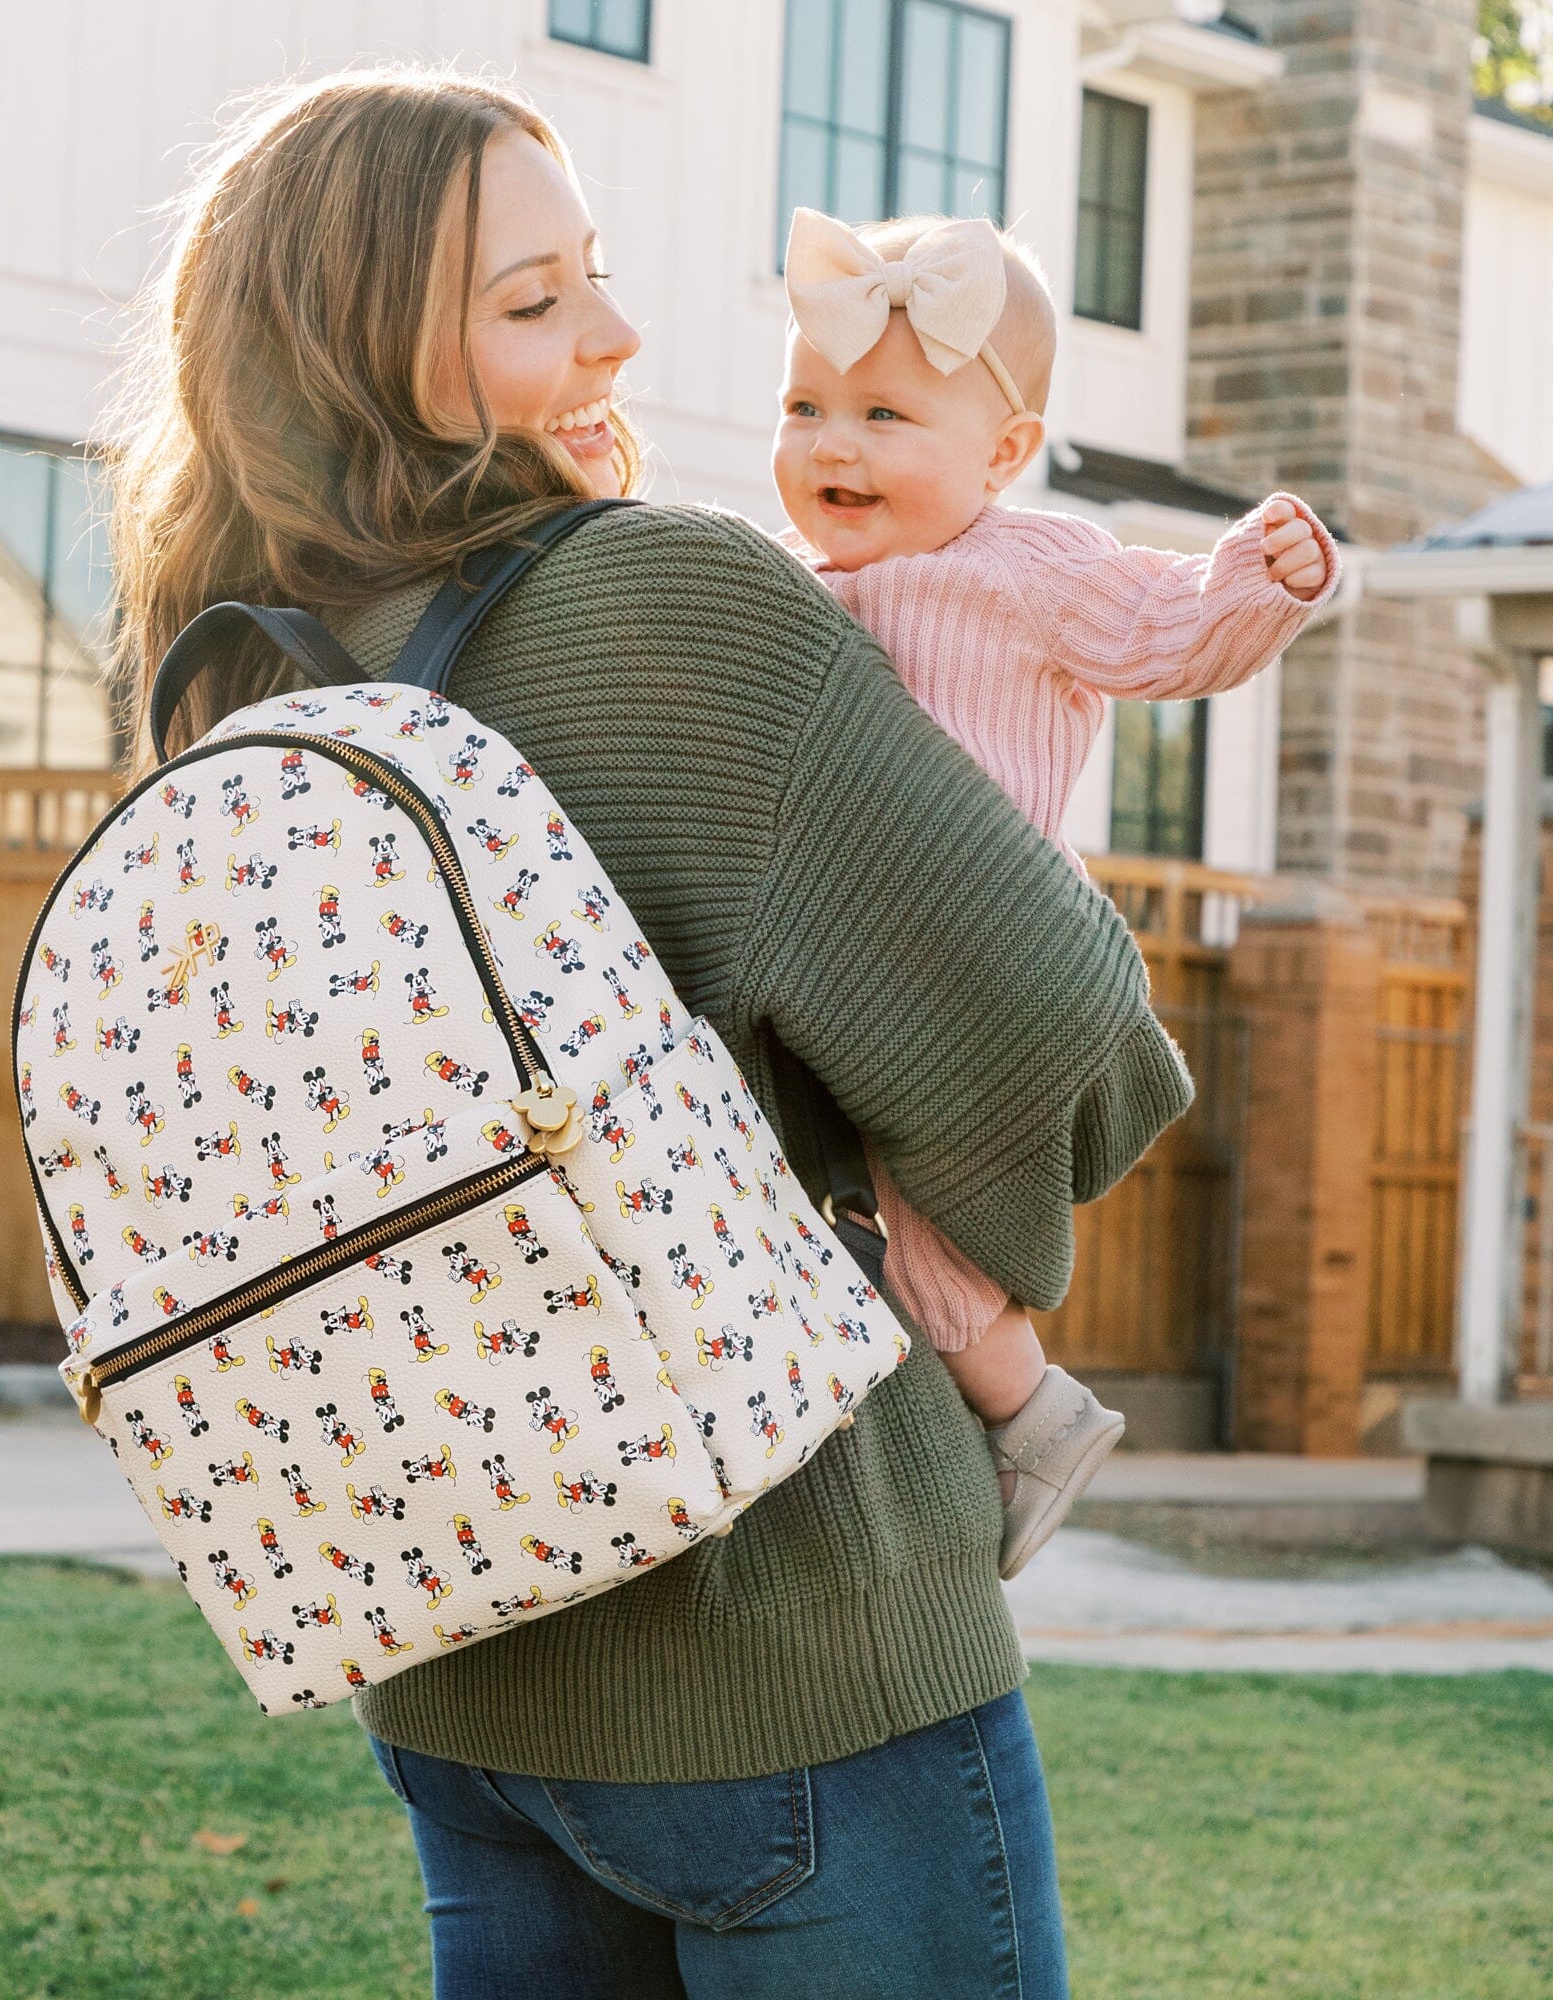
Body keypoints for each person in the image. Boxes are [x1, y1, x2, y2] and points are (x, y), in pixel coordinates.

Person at [102, 67, 1195, 1999]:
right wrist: (962, 1264)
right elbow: (1061, 1043)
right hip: (791, 1646)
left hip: (453, 1649)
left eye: (593, 273)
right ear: (365, 365)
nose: (617, 334)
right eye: (534, 304)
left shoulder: (230, 671)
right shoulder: (666, 608)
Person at [772, 206, 1339, 1579]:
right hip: (867, 961)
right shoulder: (789, 584)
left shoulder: (1024, 571)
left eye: (887, 414)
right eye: (805, 406)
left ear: (1006, 454)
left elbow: (1165, 631)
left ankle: (1030, 1411)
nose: (834, 445)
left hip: (979, 952)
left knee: (908, 1200)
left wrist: (1258, 579)